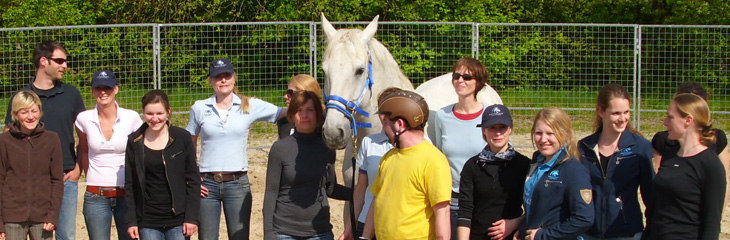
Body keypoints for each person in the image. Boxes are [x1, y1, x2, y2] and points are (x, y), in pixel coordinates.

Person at [186, 58, 282, 240]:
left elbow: (284, 112)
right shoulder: (199, 107)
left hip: (237, 184)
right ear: (211, 81)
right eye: (218, 76)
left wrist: (315, 108)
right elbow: (189, 143)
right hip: (207, 184)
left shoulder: (249, 105)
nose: (223, 80)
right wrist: (192, 177)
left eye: (227, 76)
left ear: (233, 78)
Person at [4, 40, 85, 240]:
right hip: (30, 181)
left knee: (66, 235)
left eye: (65, 61)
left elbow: (84, 134)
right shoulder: (22, 97)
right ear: (43, 61)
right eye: (59, 61)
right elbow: (9, 134)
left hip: (64, 178)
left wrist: (78, 169)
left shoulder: (71, 94)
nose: (64, 66)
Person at [362, 89, 452, 240]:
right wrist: (365, 238)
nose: (383, 129)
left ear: (399, 124)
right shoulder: (388, 157)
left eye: (385, 123)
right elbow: (376, 200)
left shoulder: (433, 161)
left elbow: (442, 212)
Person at [263, 91, 352, 240]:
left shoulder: (327, 148)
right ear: (291, 116)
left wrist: (360, 193)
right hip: (285, 232)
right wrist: (268, 233)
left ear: (318, 114)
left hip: (320, 231)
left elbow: (330, 188)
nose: (304, 115)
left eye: (310, 110)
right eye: (299, 111)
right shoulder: (280, 149)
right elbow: (271, 192)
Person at [644, 93, 726, 240]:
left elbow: (712, 224)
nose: (665, 122)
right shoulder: (670, 155)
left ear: (688, 120)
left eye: (670, 117)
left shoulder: (710, 164)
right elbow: (656, 210)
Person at [577, 83, 654, 240]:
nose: (622, 118)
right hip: (589, 233)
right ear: (601, 111)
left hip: (627, 233)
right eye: (616, 113)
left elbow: (651, 196)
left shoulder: (640, 147)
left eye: (626, 112)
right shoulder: (584, 148)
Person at [75, 70, 143, 240]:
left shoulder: (131, 117)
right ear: (92, 91)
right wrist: (90, 177)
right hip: (96, 195)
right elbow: (83, 150)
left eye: (108, 88)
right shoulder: (83, 119)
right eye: (98, 88)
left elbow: (140, 152)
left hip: (126, 194)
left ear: (116, 89)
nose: (103, 92)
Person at [125, 90, 200, 240]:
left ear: (168, 112)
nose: (154, 119)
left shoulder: (182, 138)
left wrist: (191, 218)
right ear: (143, 113)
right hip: (148, 219)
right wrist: (132, 221)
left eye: (159, 113)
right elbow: (130, 184)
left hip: (178, 219)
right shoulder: (134, 141)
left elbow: (193, 180)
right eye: (149, 114)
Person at [433, 57, 489, 238]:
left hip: (482, 199)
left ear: (478, 82)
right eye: (457, 76)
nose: (460, 80)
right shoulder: (442, 116)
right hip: (453, 199)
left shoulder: (490, 115)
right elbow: (438, 156)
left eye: (467, 77)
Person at [517, 107, 593, 240]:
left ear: (564, 134)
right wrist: (524, 228)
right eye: (539, 133)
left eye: (550, 133)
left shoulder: (574, 170)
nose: (543, 139)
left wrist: (544, 235)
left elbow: (584, 218)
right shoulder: (536, 161)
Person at [457, 104, 530, 240]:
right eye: (492, 128)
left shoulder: (524, 165)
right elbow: (465, 212)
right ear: (484, 130)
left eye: (502, 127)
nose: (497, 133)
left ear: (510, 129)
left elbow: (536, 206)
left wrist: (514, 223)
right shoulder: (472, 166)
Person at [0, 90, 63, 240]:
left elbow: (57, 181)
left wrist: (52, 215)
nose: (30, 116)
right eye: (24, 112)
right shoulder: (4, 141)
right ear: (15, 114)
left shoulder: (52, 139)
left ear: (40, 112)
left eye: (34, 111)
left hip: (42, 217)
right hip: (13, 215)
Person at [338, 87, 400, 240]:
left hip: (398, 225)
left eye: (391, 111)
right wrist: (349, 228)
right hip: (366, 222)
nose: (385, 117)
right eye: (382, 111)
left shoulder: (422, 145)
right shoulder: (369, 143)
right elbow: (361, 188)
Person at [277, 74, 322, 139]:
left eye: (290, 93)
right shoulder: (284, 123)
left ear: (307, 95)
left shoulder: (325, 126)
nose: (286, 96)